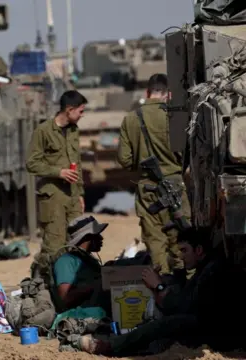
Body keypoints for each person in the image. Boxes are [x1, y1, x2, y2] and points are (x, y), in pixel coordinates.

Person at [76, 227, 244, 356]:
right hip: (212, 330)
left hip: (220, 336)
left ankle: (110, 346)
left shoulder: (212, 271)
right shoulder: (204, 268)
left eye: (185, 250)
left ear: (199, 250)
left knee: (169, 324)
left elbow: (184, 309)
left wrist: (159, 287)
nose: (181, 256)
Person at [117, 73, 191, 276]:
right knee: (182, 240)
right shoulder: (175, 117)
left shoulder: (130, 119)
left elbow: (124, 160)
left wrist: (142, 169)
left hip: (147, 190)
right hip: (175, 185)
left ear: (147, 92)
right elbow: (188, 153)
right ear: (168, 94)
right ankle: (185, 287)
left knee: (155, 241)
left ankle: (162, 286)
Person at [26, 90, 88, 281]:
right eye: (80, 111)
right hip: (52, 197)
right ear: (69, 110)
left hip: (72, 197)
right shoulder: (43, 131)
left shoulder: (73, 131)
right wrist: (58, 172)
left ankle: (71, 284)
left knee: (78, 242)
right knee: (54, 247)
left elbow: (77, 162)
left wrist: (80, 194)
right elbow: (32, 163)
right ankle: (41, 280)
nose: (82, 115)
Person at [51, 215, 110, 314]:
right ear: (87, 237)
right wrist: (97, 284)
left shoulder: (89, 260)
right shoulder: (66, 261)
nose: (101, 238)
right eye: (97, 234)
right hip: (78, 317)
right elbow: (65, 299)